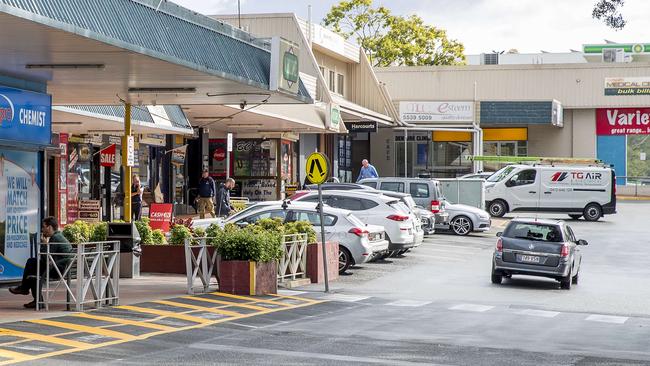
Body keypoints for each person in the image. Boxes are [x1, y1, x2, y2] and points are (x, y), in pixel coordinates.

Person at [9, 217, 73, 309]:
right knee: (32, 266)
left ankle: (26, 290)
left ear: (49, 227)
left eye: (43, 227)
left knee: (32, 266)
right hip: (61, 267)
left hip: (57, 270)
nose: (42, 230)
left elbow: (46, 259)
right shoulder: (59, 236)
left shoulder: (55, 238)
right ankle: (32, 296)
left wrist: (43, 245)